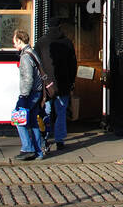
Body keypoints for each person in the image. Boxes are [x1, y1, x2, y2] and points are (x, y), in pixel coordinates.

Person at [36, 13, 77, 152]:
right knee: (61, 113)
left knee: (46, 113)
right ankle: (59, 140)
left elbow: (37, 65)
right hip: (63, 84)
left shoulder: (41, 43)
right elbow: (73, 65)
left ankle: (45, 139)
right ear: (60, 26)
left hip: (47, 85)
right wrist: (72, 83)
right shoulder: (67, 42)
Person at [12, 29, 46, 161]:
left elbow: (28, 79)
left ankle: (27, 149)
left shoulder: (25, 57)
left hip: (30, 94)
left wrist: (23, 97)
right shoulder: (32, 52)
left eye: (14, 42)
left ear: (20, 41)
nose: (13, 45)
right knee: (33, 122)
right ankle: (39, 152)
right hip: (37, 92)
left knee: (19, 120)